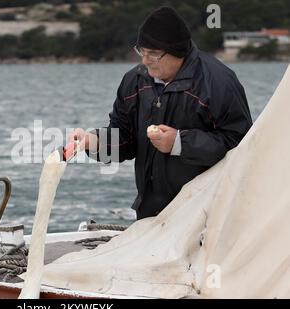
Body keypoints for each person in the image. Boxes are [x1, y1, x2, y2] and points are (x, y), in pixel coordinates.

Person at [69, 6, 253, 220]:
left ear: (179, 52)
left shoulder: (219, 82)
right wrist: (95, 141)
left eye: (153, 54)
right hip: (151, 214)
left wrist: (179, 143)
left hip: (207, 213)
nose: (145, 61)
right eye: (142, 51)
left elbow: (241, 145)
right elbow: (125, 140)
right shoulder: (134, 81)